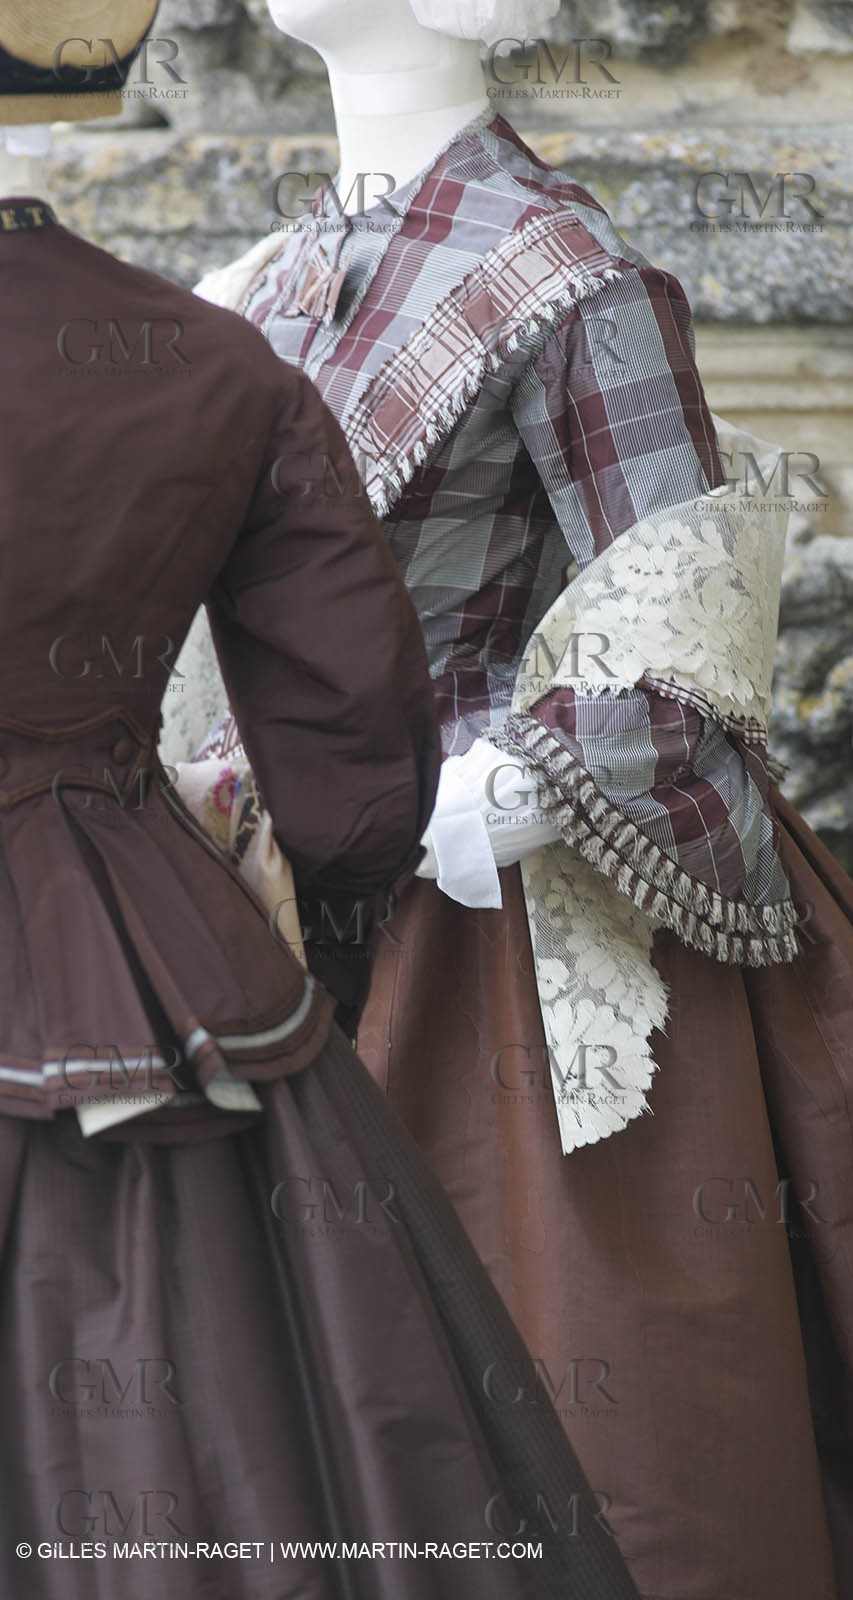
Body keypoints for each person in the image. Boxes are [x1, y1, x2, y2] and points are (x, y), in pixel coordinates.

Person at [167, 1, 853, 1594]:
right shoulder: (262, 281)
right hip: (284, 921)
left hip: (501, 920)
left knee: (600, 1423)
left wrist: (494, 788)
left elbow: (683, 626)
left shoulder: (574, 274)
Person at [0, 7, 642, 1599]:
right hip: (143, 979)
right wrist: (324, 937)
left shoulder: (559, 273)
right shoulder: (211, 357)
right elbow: (352, 749)